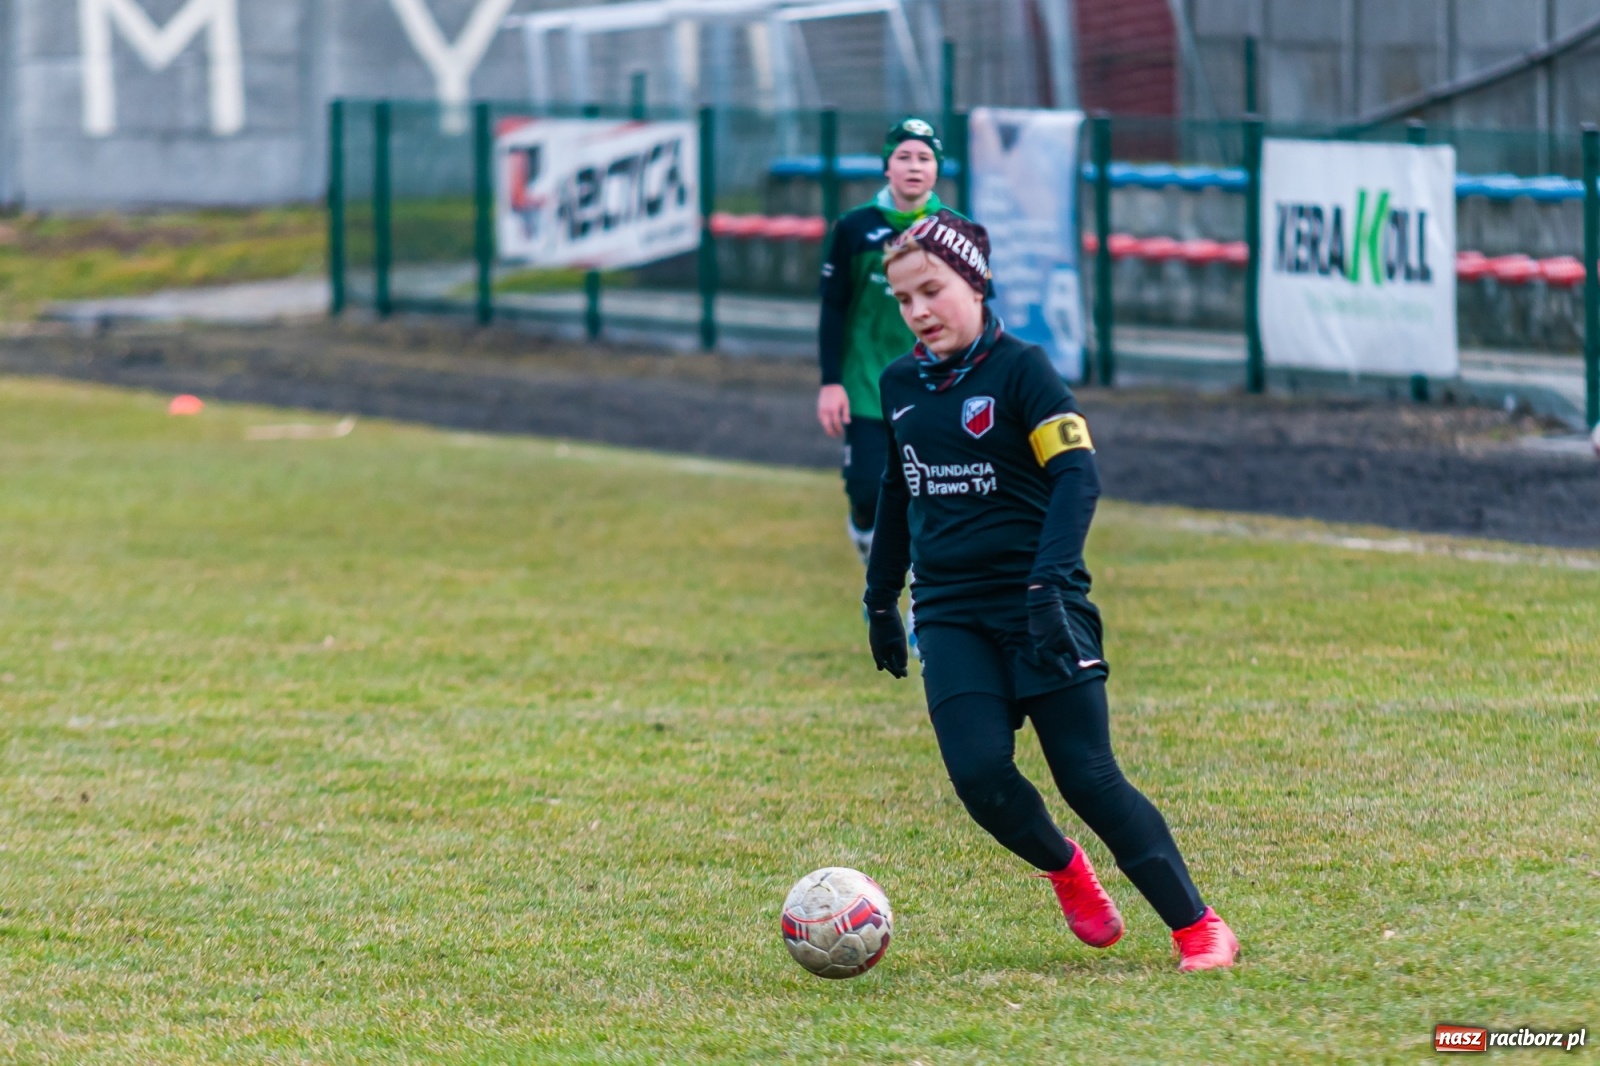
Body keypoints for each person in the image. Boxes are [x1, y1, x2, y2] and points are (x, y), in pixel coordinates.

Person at [863, 210, 1240, 972]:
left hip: (1040, 605)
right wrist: (879, 598)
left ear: (976, 281)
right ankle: (1066, 869)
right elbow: (898, 491)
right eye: (904, 301)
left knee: (1089, 778)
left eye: (932, 291)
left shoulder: (1025, 372)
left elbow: (1077, 476)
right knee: (978, 775)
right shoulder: (901, 384)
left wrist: (1048, 583)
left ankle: (1199, 928)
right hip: (949, 612)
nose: (920, 312)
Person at [817, 117, 953, 569]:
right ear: (886, 167)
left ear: (936, 170)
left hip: (934, 387)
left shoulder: (954, 232)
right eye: (904, 157)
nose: (914, 166)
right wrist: (831, 382)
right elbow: (834, 308)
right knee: (867, 493)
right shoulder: (854, 229)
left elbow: (976, 312)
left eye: (924, 158)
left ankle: (922, 608)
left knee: (932, 496)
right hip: (867, 386)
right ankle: (867, 545)